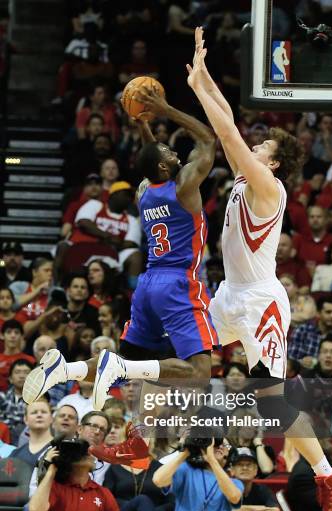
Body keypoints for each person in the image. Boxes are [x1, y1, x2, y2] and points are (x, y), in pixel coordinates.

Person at [186, 27, 332, 511]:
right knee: (184, 352)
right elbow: (232, 127)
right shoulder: (246, 174)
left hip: (261, 302)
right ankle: (132, 426)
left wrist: (198, 90)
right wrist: (203, 72)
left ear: (274, 162)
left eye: (264, 145)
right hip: (229, 294)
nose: (254, 145)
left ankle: (329, 476)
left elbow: (228, 134)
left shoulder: (268, 187)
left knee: (272, 403)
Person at [23, 88, 218, 415]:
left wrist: (143, 124)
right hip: (179, 283)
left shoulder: (146, 191)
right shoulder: (184, 187)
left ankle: (64, 369)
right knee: (200, 374)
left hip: (148, 284)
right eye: (171, 153)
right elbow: (209, 140)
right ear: (166, 168)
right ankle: (118, 367)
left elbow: (151, 157)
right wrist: (166, 109)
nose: (176, 153)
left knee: (128, 361)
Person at [10, 397, 53, 466]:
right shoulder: (15, 454)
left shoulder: (61, 449)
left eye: (44, 412)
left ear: (51, 418)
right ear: (25, 419)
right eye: (34, 412)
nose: (39, 415)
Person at [0, 359, 32, 444]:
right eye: (17, 372)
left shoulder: (38, 401)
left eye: (26, 372)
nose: (22, 376)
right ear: (10, 378)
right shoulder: (1, 397)